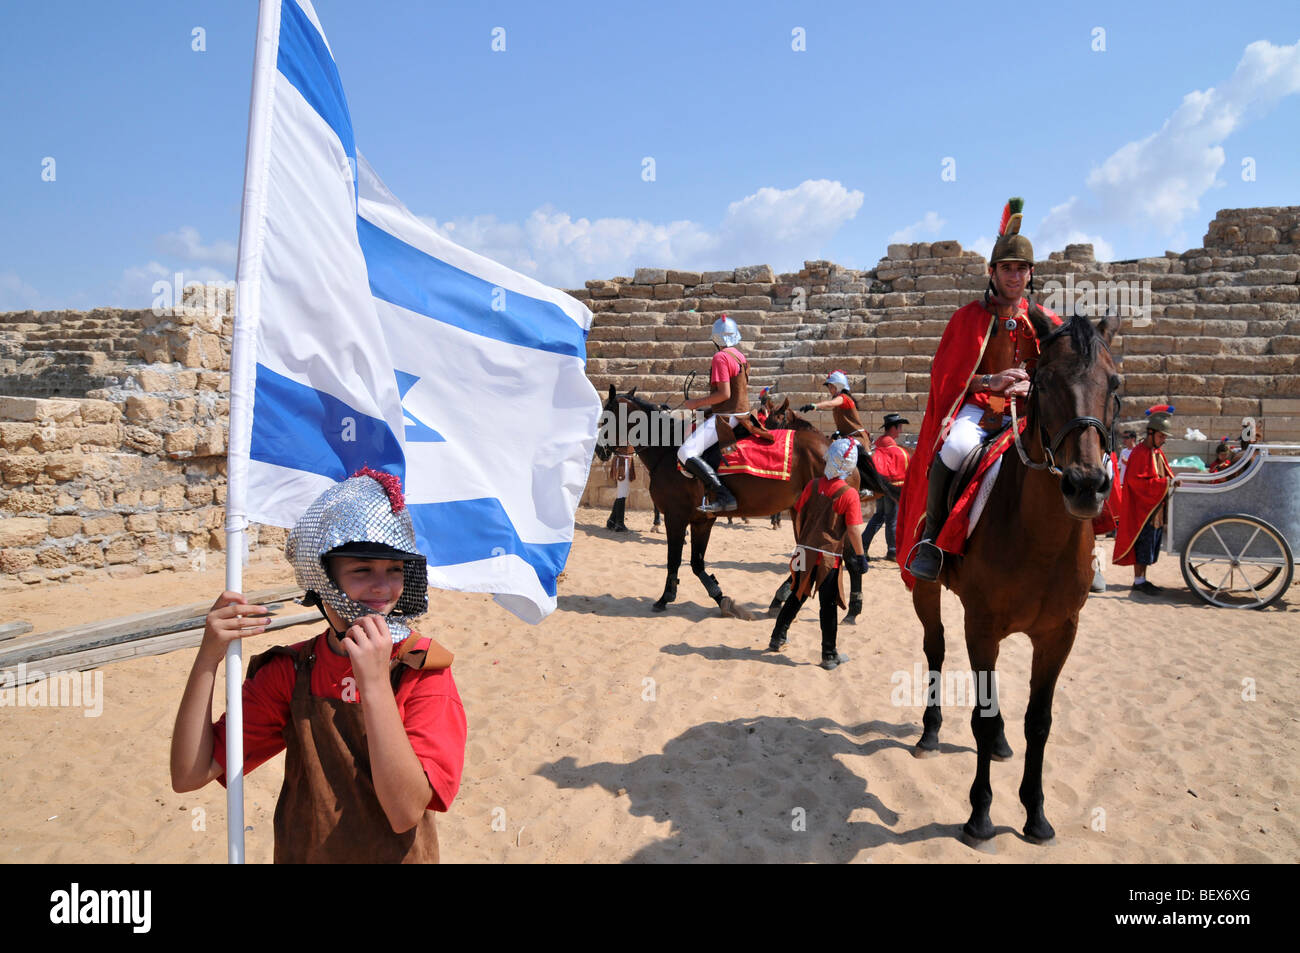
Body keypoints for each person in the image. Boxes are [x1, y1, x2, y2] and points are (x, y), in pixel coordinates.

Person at [170, 468, 467, 863]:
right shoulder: (292, 671)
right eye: (362, 570)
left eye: (394, 569)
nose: (382, 586)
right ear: (323, 579)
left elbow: (405, 811)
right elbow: (190, 774)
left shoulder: (422, 671)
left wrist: (375, 683)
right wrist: (208, 658)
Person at [898, 197, 1058, 582]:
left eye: (1021, 269)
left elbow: (1061, 375)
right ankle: (933, 540)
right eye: (1007, 268)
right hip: (982, 409)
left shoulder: (1048, 321)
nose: (1014, 276)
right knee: (953, 448)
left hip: (1029, 413)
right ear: (992, 271)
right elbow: (947, 379)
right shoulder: (967, 318)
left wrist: (1032, 382)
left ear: (1031, 273)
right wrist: (991, 381)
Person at [765, 439, 868, 671]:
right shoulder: (849, 494)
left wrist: (805, 539)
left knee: (796, 594)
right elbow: (853, 530)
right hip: (826, 557)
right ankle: (829, 654)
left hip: (804, 551)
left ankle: (777, 637)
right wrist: (861, 557)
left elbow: (799, 511)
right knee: (828, 605)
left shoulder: (812, 485)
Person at [677, 315, 750, 513]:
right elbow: (735, 394)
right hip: (742, 414)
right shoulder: (739, 356)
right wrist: (708, 409)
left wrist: (695, 403)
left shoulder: (720, 357)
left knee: (685, 452)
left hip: (727, 417)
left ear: (715, 339)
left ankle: (723, 495)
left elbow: (724, 394)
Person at [1114, 410, 1178, 595]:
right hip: (1143, 510)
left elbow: (1165, 474)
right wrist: (1165, 483)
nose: (1163, 440)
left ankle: (1143, 579)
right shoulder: (1140, 453)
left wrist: (1170, 481)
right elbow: (1136, 482)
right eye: (1161, 436)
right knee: (1142, 545)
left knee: (1150, 546)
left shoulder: (1156, 452)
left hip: (1155, 508)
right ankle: (1139, 580)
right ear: (1151, 433)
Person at [861, 413, 910, 560]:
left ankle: (863, 545)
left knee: (880, 516)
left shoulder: (881, 441)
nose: (901, 430)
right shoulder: (891, 445)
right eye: (899, 427)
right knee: (891, 518)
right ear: (893, 428)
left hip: (880, 485)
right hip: (890, 485)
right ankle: (892, 551)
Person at [800, 371, 866, 449]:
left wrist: (814, 406)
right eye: (829, 387)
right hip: (847, 438)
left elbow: (830, 403)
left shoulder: (844, 398)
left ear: (839, 386)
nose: (829, 390)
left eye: (831, 387)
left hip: (857, 438)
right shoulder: (839, 401)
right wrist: (838, 433)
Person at [605, 445, 636, 532]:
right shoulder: (621, 433)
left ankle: (611, 521)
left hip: (626, 459)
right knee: (622, 493)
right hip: (623, 461)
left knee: (623, 493)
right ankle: (619, 523)